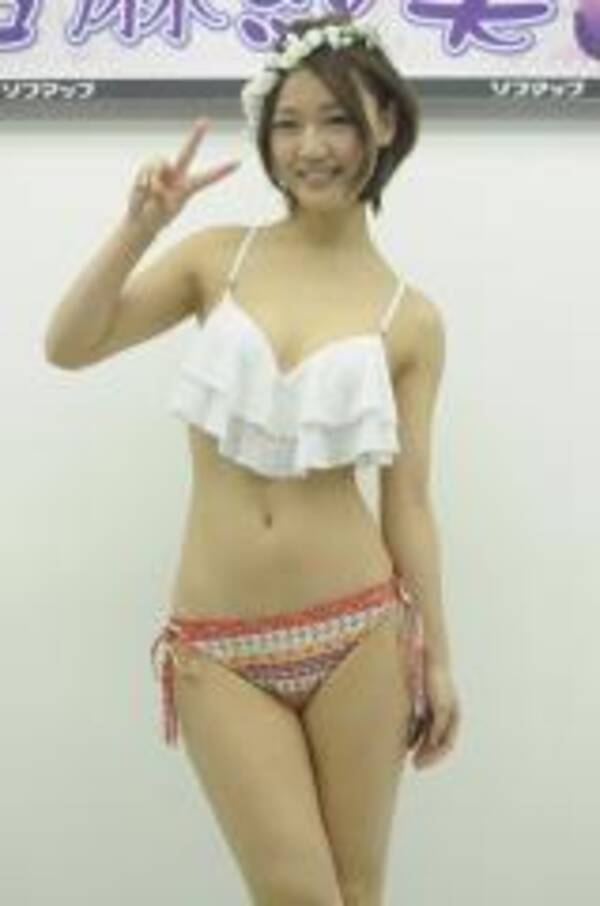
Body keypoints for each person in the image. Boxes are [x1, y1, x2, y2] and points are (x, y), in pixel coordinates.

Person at [45, 12, 461, 906]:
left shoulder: (412, 318)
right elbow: (69, 346)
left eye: (337, 120)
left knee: (357, 892)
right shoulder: (216, 258)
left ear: (385, 122)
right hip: (220, 648)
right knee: (297, 894)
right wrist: (138, 227)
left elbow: (410, 503)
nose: (311, 147)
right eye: (288, 123)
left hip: (360, 633)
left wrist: (438, 656)